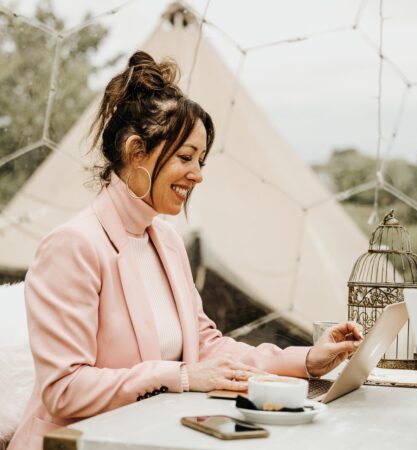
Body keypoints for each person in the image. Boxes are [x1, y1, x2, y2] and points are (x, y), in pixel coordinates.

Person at [8, 51, 362, 450]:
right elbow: (64, 389)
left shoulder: (167, 240)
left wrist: (306, 360)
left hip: (150, 437)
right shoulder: (72, 246)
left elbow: (206, 346)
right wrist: (180, 376)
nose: (198, 174)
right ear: (135, 151)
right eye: (185, 157)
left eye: (201, 159)